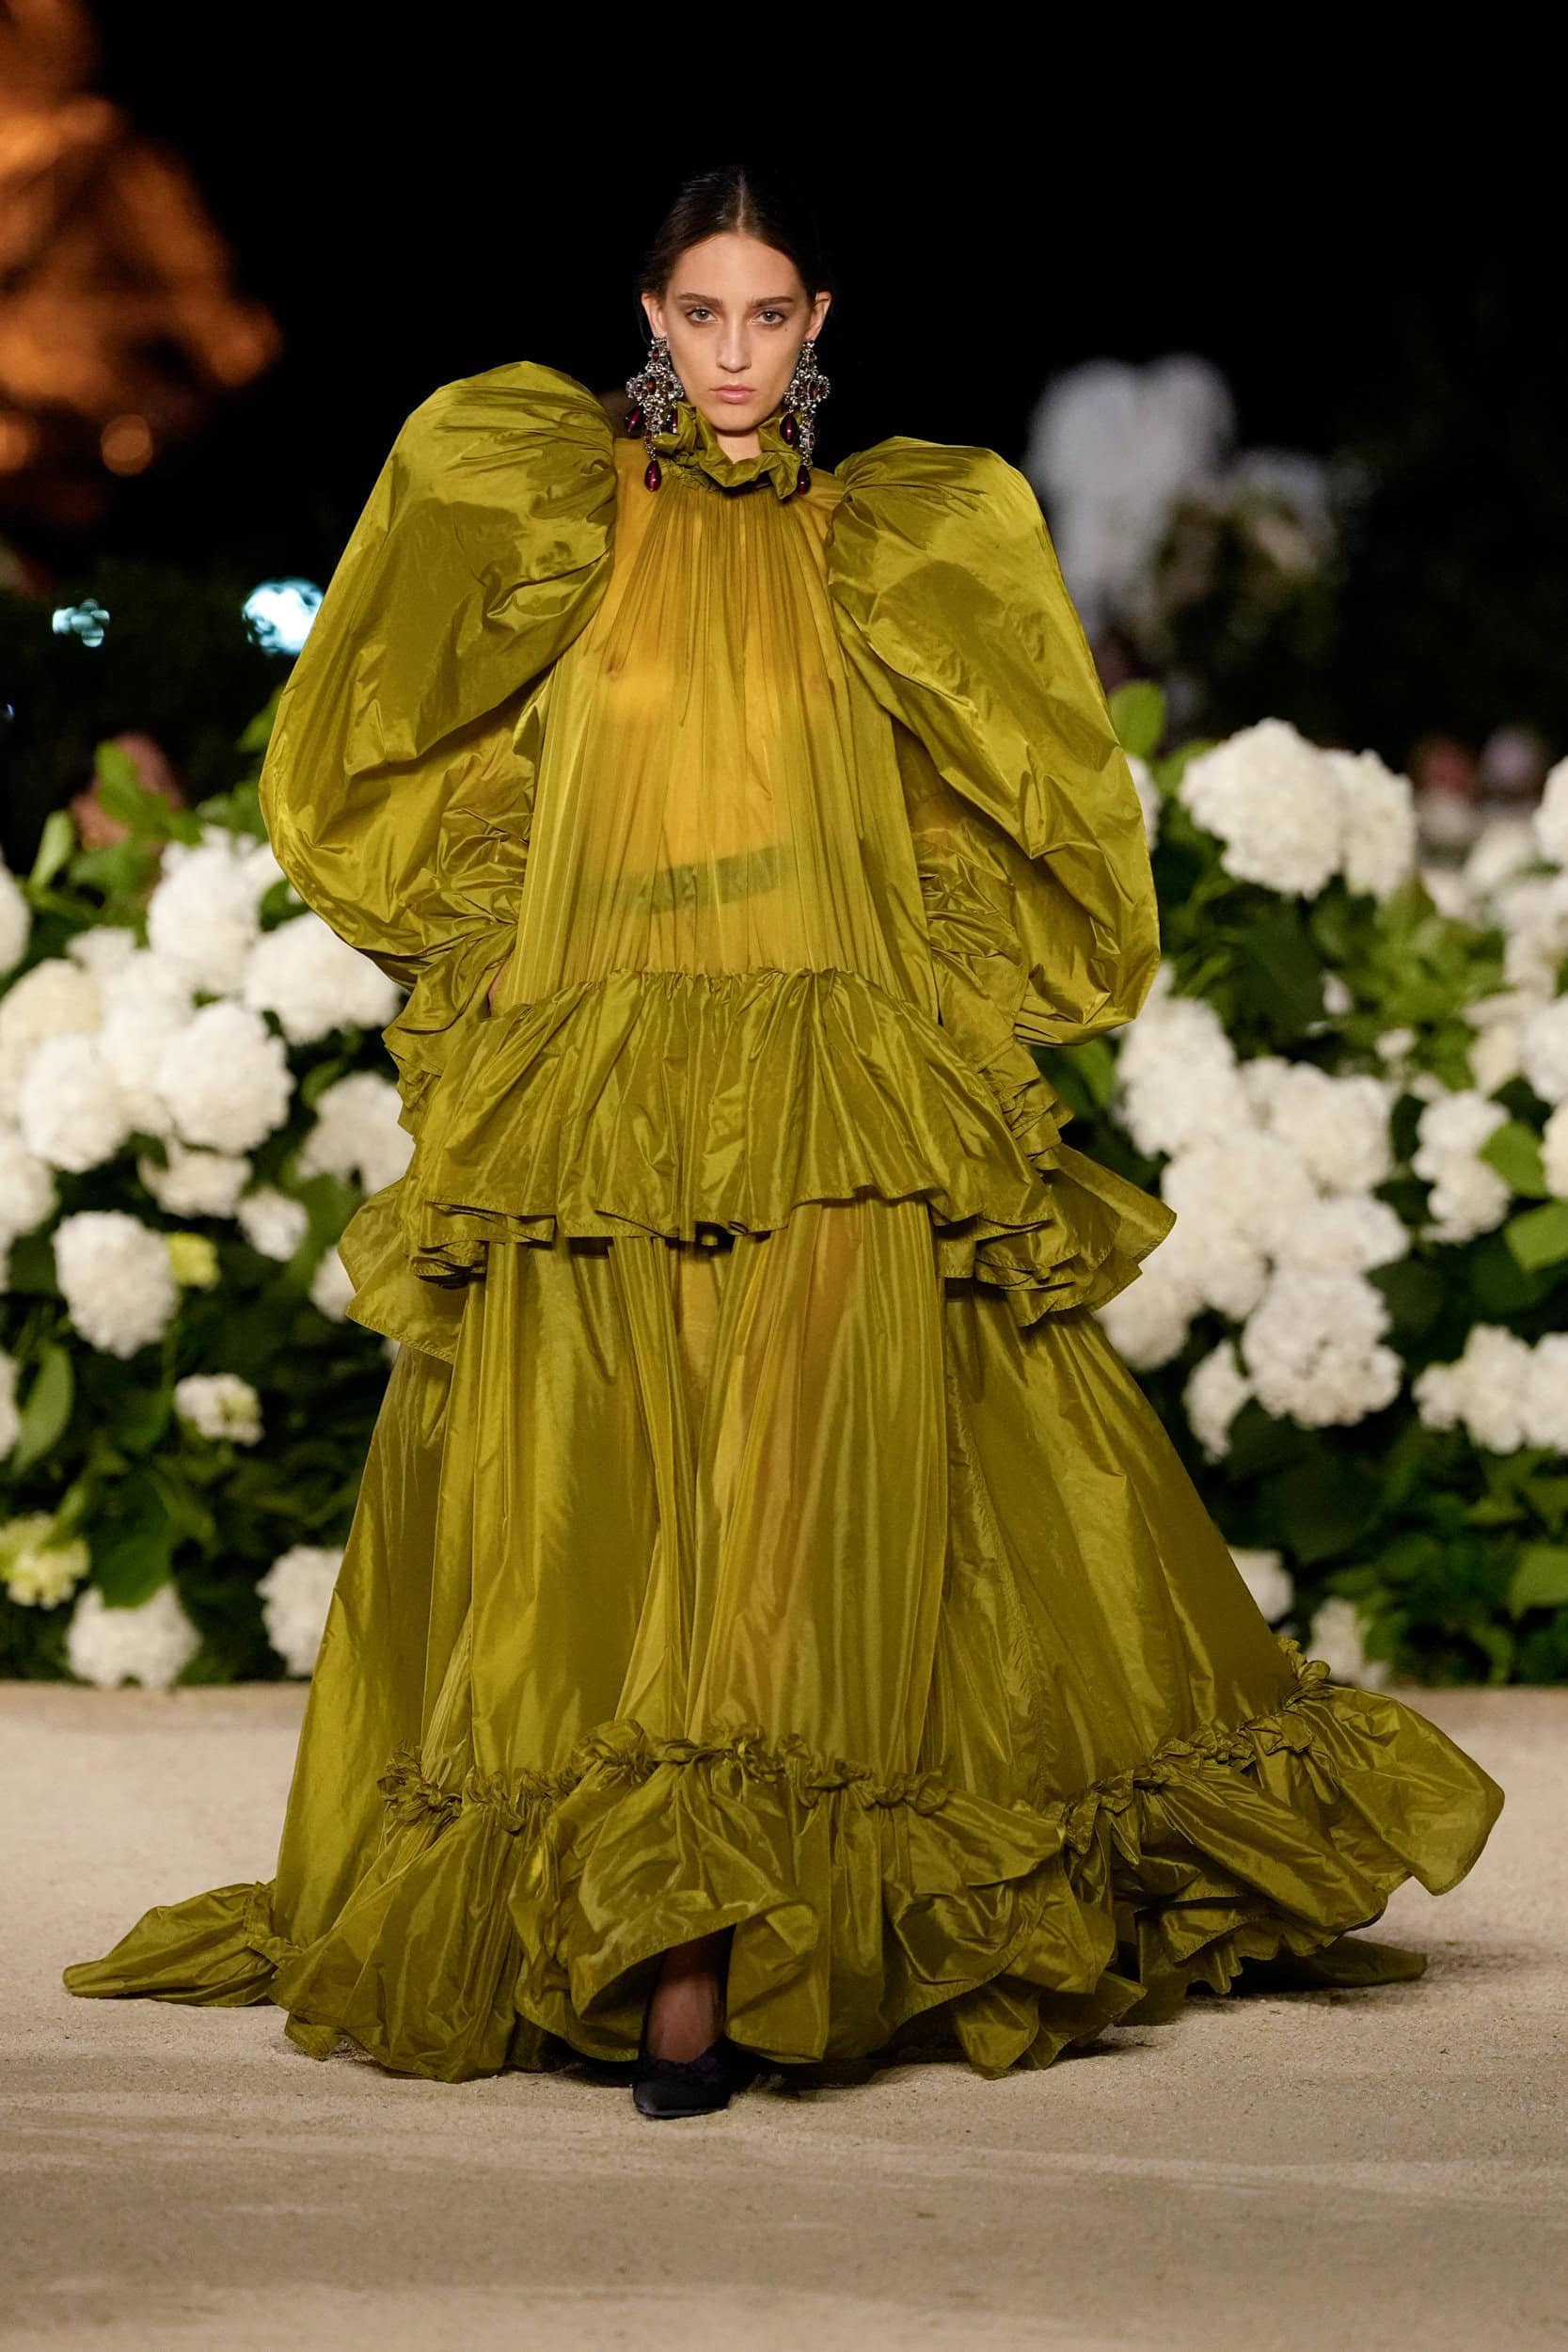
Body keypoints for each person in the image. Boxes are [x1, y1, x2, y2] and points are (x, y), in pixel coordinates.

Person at [64, 165, 1504, 2121]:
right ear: (650, 318)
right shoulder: (549, 508)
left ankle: (709, 1941)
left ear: (820, 321)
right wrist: (493, 946)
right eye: (701, 314)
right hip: (606, 1071)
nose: (734, 352)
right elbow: (387, 734)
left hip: (836, 1064)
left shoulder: (901, 540)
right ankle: (664, 1905)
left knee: (801, 1479)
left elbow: (998, 787)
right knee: (622, 1478)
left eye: (769, 315)